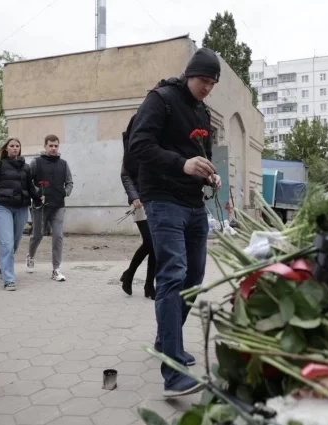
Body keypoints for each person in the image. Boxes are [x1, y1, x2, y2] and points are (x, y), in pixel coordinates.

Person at [128, 47, 222, 397]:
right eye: (203, 80)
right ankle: (173, 371)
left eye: (213, 83)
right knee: (173, 273)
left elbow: (205, 156)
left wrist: (211, 175)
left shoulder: (203, 111)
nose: (207, 87)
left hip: (193, 202)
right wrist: (181, 164)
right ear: (189, 74)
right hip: (162, 198)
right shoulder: (161, 99)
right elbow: (139, 146)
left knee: (194, 277)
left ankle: (167, 339)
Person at [0, 137, 42, 291]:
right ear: (6, 149)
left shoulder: (26, 167)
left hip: (21, 207)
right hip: (3, 207)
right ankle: (9, 279)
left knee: (14, 242)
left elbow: (30, 188)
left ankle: (4, 266)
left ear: (20, 149)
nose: (15, 148)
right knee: (6, 243)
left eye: (17, 146)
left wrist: (37, 200)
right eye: (12, 146)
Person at [26, 134, 73, 281]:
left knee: (58, 236)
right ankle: (30, 256)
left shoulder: (64, 164)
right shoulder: (36, 163)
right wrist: (37, 193)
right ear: (45, 146)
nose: (53, 148)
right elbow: (28, 181)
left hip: (58, 205)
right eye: (50, 146)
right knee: (37, 235)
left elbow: (70, 183)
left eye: (56, 146)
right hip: (40, 206)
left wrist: (64, 193)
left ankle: (56, 270)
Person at [120, 115, 156, 300]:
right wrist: (134, 197)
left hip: (157, 199)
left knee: (155, 245)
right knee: (150, 242)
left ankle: (149, 286)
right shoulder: (130, 147)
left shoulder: (155, 141)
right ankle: (130, 275)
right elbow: (125, 175)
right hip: (139, 202)